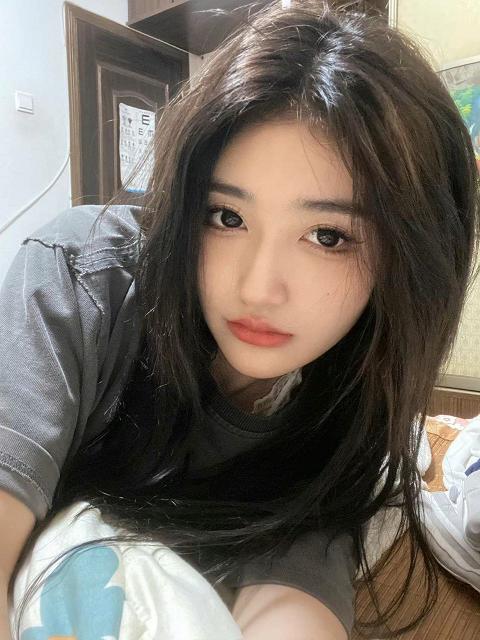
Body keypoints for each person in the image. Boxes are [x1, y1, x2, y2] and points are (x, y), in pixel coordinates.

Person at [1, 0, 479, 638]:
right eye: (227, 217)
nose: (257, 288)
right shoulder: (86, 276)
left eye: (329, 236)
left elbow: (296, 604)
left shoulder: (353, 407)